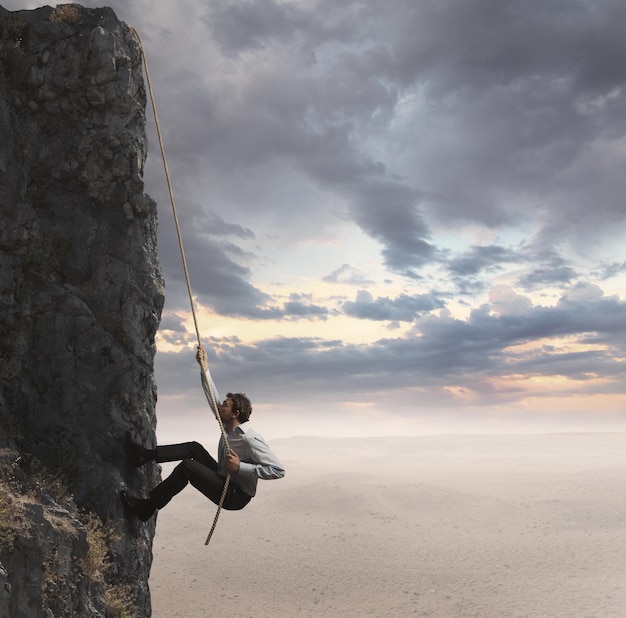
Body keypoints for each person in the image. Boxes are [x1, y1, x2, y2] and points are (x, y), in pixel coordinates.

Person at [120, 345, 285, 521]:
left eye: (225, 405)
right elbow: (212, 397)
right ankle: (143, 455)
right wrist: (204, 366)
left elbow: (278, 470)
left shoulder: (250, 439)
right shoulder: (227, 426)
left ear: (235, 414)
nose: (220, 406)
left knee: (187, 467)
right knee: (194, 448)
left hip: (235, 495)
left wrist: (240, 467)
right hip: (223, 476)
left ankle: (148, 507)